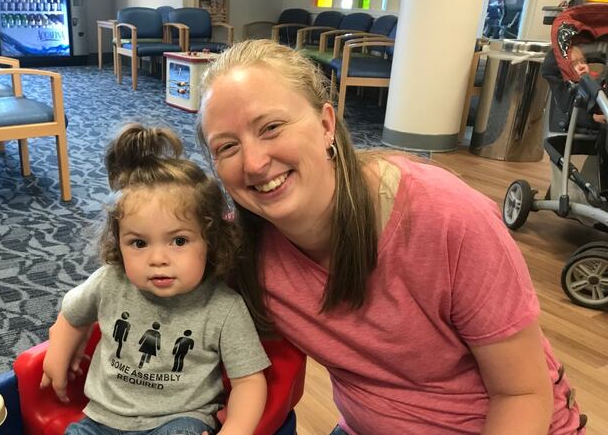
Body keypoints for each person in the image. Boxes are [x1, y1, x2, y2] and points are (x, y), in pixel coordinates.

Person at [196, 39, 586, 435]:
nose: (255, 162)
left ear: (327, 125)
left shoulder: (445, 217)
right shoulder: (243, 249)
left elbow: (521, 395)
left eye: (271, 127)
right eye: (227, 147)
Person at [40, 123, 270, 435]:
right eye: (138, 243)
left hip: (178, 420)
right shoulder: (110, 281)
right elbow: (72, 316)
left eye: (178, 241)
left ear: (210, 240)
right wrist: (57, 354)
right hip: (101, 421)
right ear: (118, 244)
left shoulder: (223, 308)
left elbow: (249, 381)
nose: (158, 258)